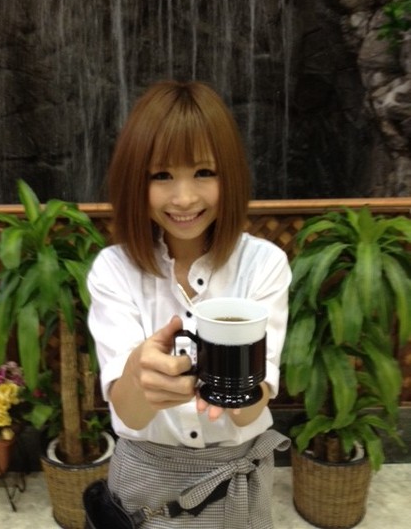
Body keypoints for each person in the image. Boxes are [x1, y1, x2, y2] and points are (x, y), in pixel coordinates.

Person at [87, 80, 291, 529]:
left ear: (230, 175)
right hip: (145, 482)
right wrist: (141, 374)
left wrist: (237, 384)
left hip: (237, 479)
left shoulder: (264, 264)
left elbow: (253, 403)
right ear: (135, 181)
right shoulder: (113, 270)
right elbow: (129, 411)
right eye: (161, 176)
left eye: (204, 172)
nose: (183, 198)